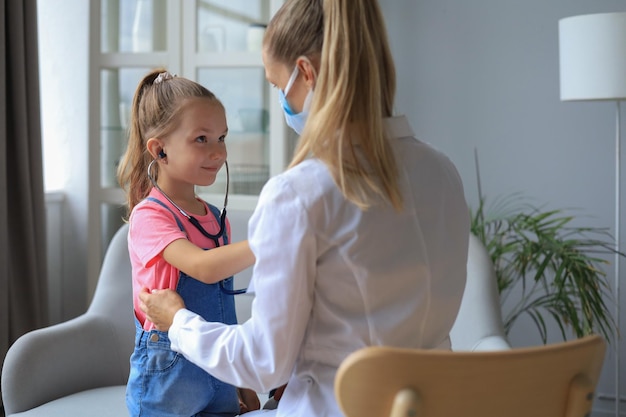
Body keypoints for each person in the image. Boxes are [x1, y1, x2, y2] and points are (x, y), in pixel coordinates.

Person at [138, 0, 470, 416]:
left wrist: (179, 323)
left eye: (279, 86)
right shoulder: (443, 173)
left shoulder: (299, 195)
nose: (281, 99)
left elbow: (263, 362)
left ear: (306, 74)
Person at [117, 68, 260, 417]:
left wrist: (239, 375)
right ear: (159, 150)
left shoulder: (213, 216)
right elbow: (203, 268)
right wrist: (272, 240)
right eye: (202, 139)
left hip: (215, 364)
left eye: (222, 138)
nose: (218, 152)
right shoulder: (150, 216)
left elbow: (224, 313)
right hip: (170, 376)